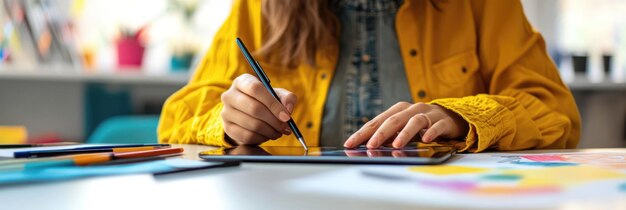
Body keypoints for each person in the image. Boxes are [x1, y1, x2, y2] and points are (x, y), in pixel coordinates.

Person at [157, 0, 580, 152]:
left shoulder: (483, 4)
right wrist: (227, 121)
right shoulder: (260, 6)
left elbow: (555, 110)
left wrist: (462, 117)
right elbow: (176, 118)